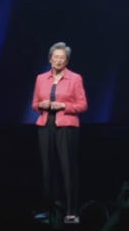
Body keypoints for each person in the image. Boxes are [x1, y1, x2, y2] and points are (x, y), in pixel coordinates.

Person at [33, 41, 89, 218]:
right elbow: (34, 104)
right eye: (55, 57)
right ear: (50, 59)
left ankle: (71, 210)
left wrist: (63, 106)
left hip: (66, 126)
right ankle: (52, 209)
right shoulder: (41, 78)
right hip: (45, 125)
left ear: (67, 61)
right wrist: (40, 105)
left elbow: (82, 105)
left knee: (67, 168)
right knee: (48, 169)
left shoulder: (75, 78)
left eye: (62, 58)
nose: (58, 60)